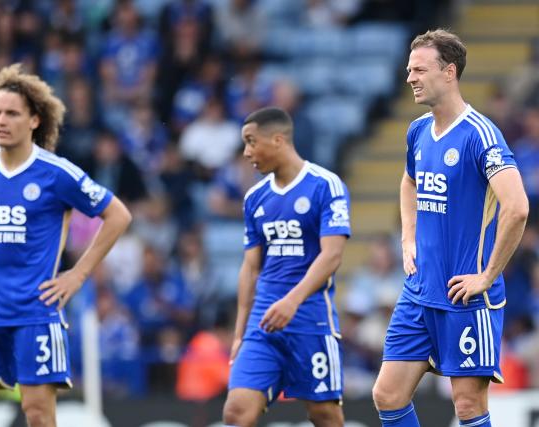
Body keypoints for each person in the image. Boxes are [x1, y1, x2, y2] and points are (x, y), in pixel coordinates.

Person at [0, 63, 132, 427]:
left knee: (38, 416)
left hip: (35, 313)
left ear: (34, 120)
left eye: (12, 113)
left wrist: (77, 276)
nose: (1, 121)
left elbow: (119, 215)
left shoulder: (56, 173)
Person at [372, 29, 529, 427]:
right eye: (409, 69)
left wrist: (487, 276)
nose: (410, 77)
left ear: (449, 72)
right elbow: (409, 181)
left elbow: (517, 207)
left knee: (467, 407)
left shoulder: (481, 135)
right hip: (420, 289)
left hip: (465, 296)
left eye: (420, 69)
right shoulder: (418, 131)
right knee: (387, 394)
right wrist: (408, 238)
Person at [222, 107, 351, 427]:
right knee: (236, 413)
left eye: (251, 142)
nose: (247, 152)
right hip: (262, 325)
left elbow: (332, 255)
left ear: (278, 140)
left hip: (310, 320)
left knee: (324, 415)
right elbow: (251, 268)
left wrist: (292, 300)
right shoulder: (255, 198)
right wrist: (239, 333)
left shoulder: (325, 185)